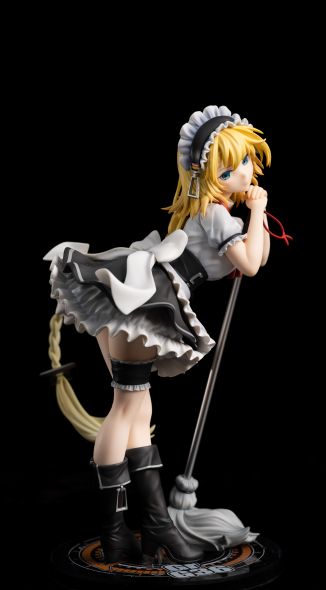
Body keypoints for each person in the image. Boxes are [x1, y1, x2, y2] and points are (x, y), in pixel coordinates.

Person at [44, 105, 272, 565]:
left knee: (136, 410)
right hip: (152, 300)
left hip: (151, 295)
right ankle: (119, 533)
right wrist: (258, 210)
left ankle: (152, 527)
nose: (244, 172)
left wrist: (256, 214)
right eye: (230, 168)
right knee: (127, 410)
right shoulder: (216, 215)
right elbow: (248, 264)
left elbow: (259, 257)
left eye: (247, 161)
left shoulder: (214, 211)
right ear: (206, 174)